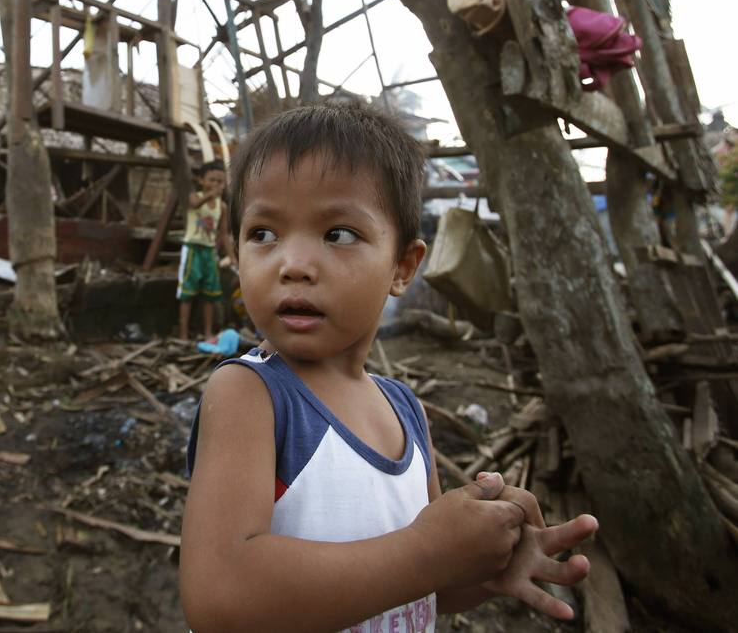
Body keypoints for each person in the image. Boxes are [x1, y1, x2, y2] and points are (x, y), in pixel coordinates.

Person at [180, 103, 597, 632]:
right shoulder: (251, 394)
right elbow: (220, 594)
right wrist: (427, 551)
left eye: (338, 234)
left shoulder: (405, 411)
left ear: (402, 267)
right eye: (263, 233)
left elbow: (419, 582)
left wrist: (483, 560)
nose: (293, 264)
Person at [177, 159, 236, 341]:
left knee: (209, 293)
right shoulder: (195, 197)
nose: (216, 185)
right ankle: (183, 333)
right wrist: (210, 194)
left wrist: (232, 257)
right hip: (193, 249)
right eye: (211, 180)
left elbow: (224, 234)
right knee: (187, 292)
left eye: (220, 181)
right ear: (202, 181)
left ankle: (208, 332)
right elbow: (194, 205)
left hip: (209, 252)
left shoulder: (222, 207)